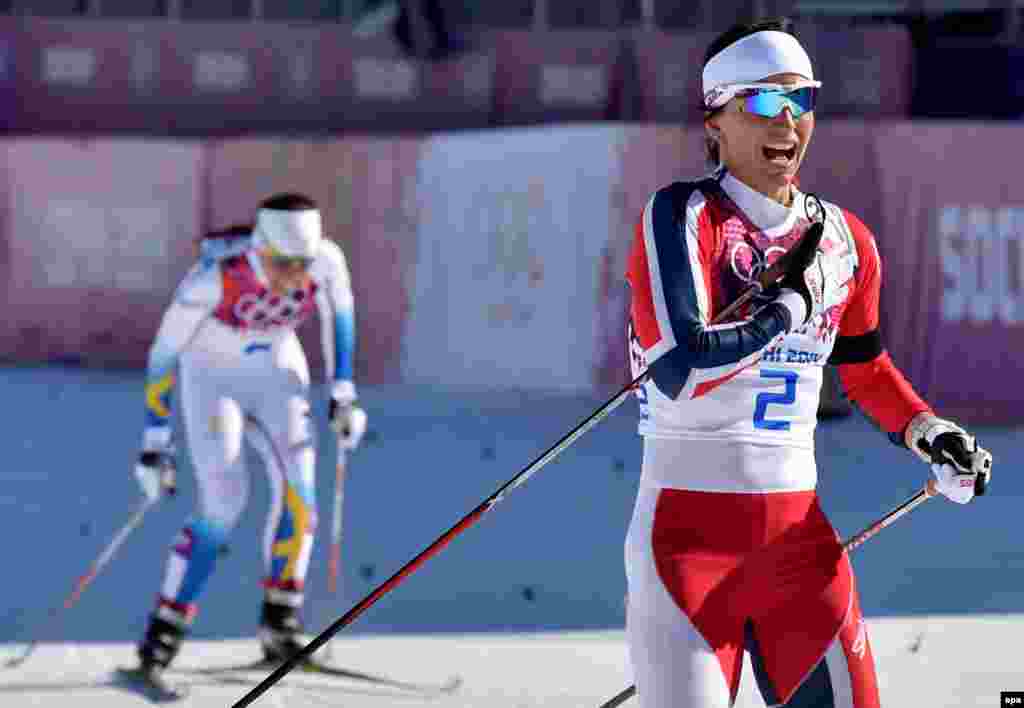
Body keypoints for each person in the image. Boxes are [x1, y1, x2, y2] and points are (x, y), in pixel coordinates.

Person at [623, 19, 993, 708]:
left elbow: (866, 370)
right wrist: (790, 309)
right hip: (685, 547)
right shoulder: (682, 217)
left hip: (800, 545)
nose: (788, 120)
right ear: (716, 119)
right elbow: (681, 368)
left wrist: (928, 432)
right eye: (763, 103)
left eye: (803, 101)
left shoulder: (846, 241)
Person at [130, 193, 367, 689]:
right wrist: (155, 441)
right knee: (224, 502)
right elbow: (162, 355)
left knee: (302, 498)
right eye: (284, 264)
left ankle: (280, 622)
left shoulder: (325, 259)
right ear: (260, 251)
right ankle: (165, 631)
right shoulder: (211, 279)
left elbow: (339, 312)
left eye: (303, 264)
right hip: (212, 377)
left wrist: (343, 393)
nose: (297, 276)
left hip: (278, 370)